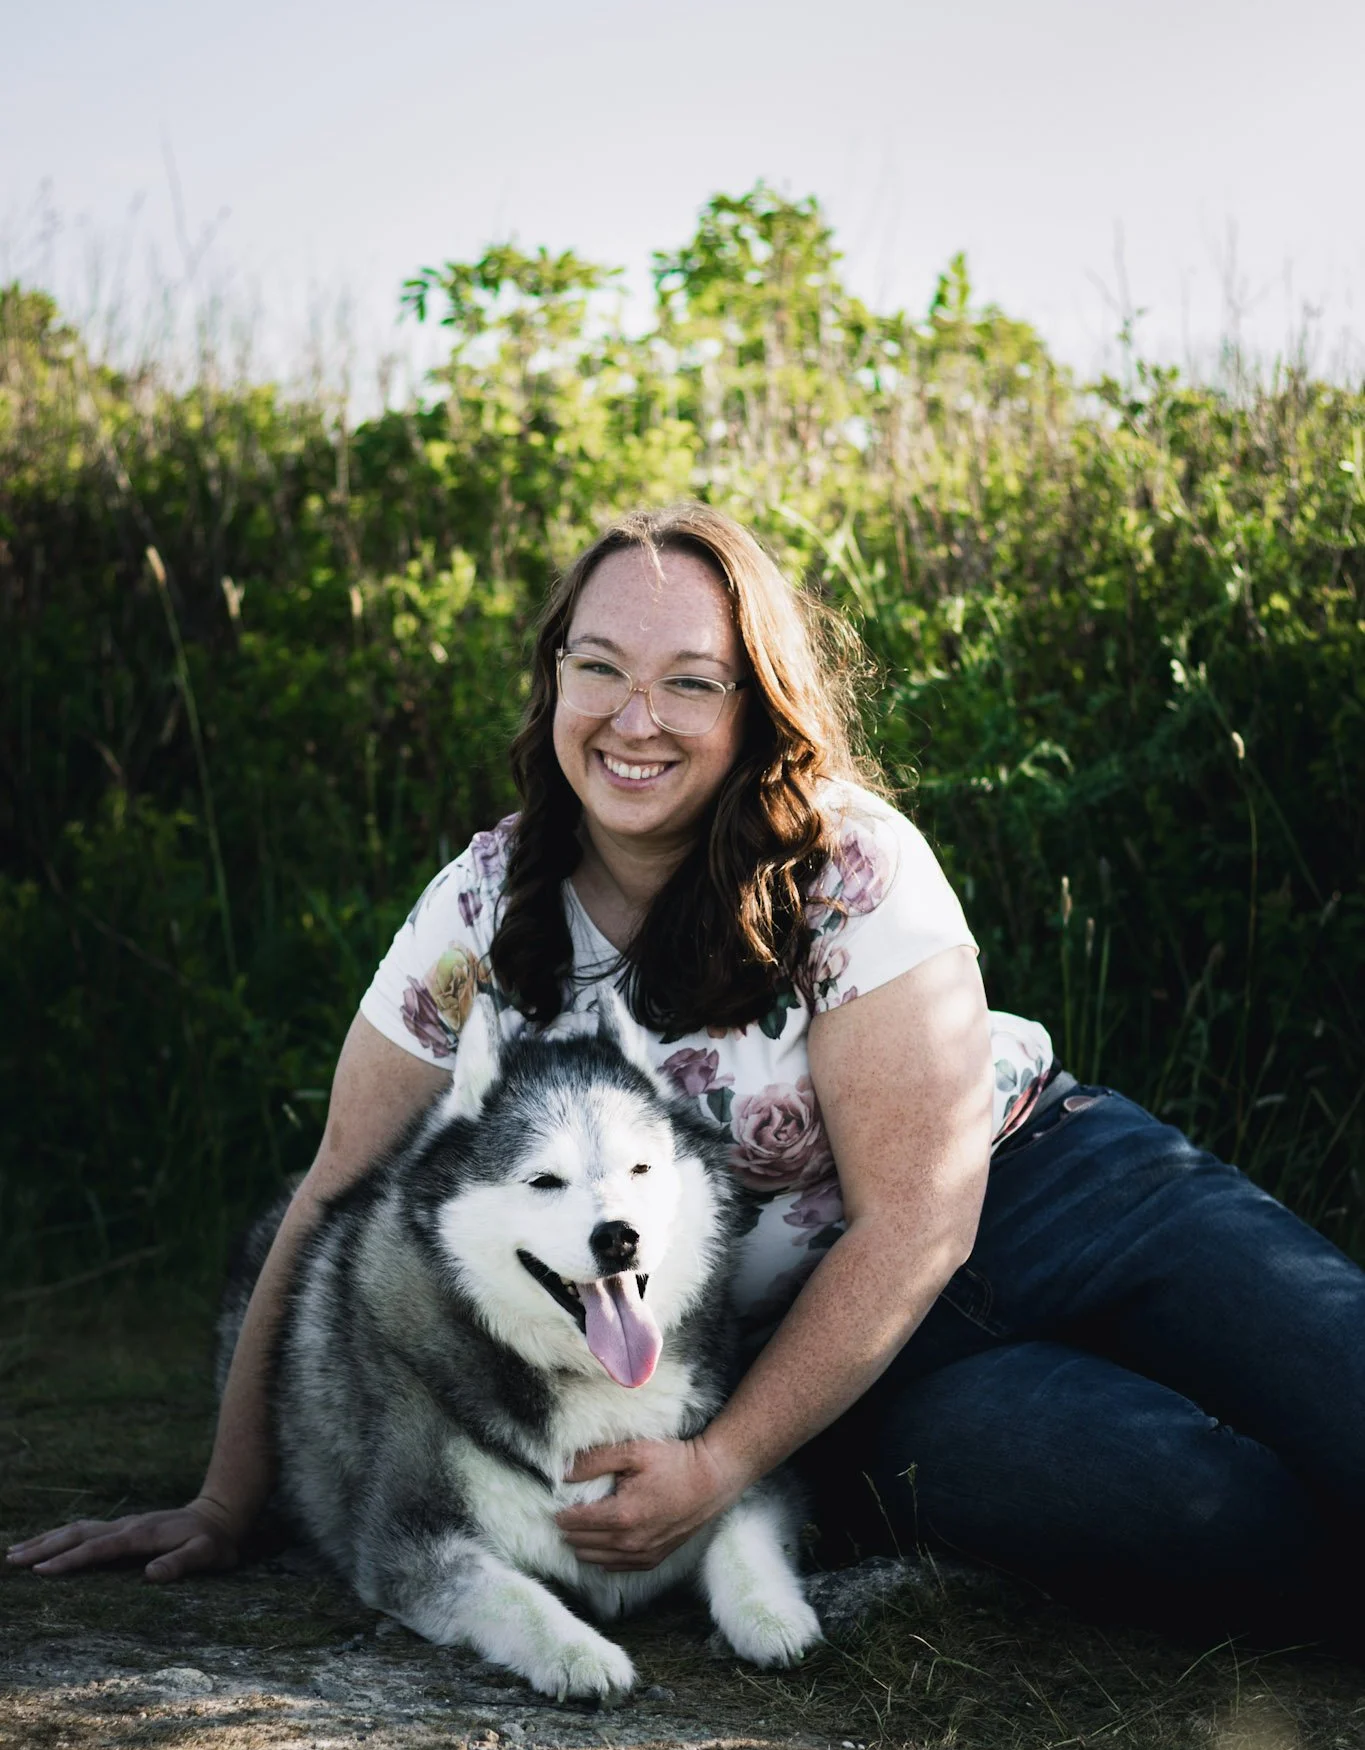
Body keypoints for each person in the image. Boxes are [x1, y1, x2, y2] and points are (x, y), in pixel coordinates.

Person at [11, 504, 1365, 1644]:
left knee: (1333, 1367)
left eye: (689, 680)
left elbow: (922, 1215)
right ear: (553, 682)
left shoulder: (850, 860)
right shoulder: (479, 915)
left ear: (753, 700)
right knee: (1201, 1504)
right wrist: (227, 1502)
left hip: (1054, 1186)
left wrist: (711, 1471)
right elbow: (331, 1200)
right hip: (843, 1363)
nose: (634, 719)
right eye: (599, 668)